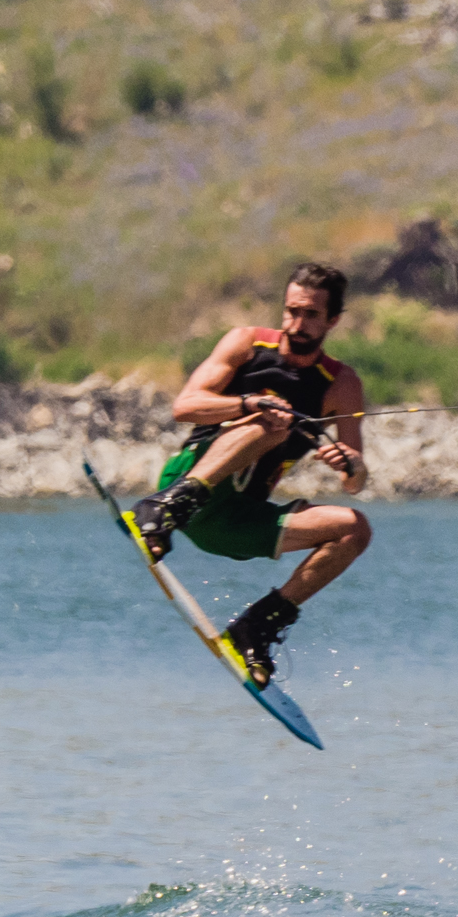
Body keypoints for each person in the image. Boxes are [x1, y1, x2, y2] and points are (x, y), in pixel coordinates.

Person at [130, 262, 372, 685]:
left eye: (311, 315)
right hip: (185, 486)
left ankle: (255, 629)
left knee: (354, 529)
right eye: (291, 311)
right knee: (273, 421)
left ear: (332, 320)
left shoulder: (341, 384)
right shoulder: (245, 343)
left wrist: (350, 462)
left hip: (235, 521)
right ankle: (167, 509)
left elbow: (357, 481)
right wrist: (249, 404)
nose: (297, 324)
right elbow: (184, 405)